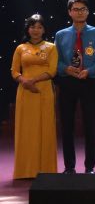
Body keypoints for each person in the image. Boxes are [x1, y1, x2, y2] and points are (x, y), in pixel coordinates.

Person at [54, 0, 95, 174]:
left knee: (89, 125)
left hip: (88, 82)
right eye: (75, 9)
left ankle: (89, 167)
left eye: (83, 9)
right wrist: (66, 69)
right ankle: (69, 166)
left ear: (88, 11)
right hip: (67, 82)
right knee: (67, 125)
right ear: (69, 12)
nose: (79, 12)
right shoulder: (61, 35)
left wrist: (90, 71)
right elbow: (56, 62)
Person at [10, 14, 58, 179]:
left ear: (44, 29)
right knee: (26, 129)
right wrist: (24, 80)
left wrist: (34, 80)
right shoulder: (20, 48)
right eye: (32, 27)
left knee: (45, 128)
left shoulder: (51, 47)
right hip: (25, 92)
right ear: (28, 29)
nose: (36, 30)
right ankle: (25, 170)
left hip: (44, 90)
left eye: (39, 27)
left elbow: (52, 70)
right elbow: (14, 71)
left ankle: (46, 169)